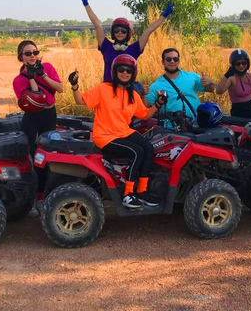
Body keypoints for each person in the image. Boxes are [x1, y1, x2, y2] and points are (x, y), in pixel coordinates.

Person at [69, 54, 167, 209]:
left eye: (129, 70)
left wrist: (158, 104)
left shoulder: (133, 95)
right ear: (115, 71)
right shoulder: (103, 89)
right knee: (137, 152)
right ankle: (128, 194)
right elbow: (80, 100)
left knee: (148, 148)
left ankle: (142, 191)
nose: (125, 73)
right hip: (105, 136)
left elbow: (145, 114)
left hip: (123, 132)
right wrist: (74, 85)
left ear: (133, 73)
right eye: (121, 69)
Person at [13, 40, 63, 217]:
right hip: (32, 119)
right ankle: (30, 201)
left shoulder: (47, 67)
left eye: (35, 52)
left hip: (49, 116)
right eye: (28, 53)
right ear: (21, 57)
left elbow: (60, 88)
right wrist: (32, 77)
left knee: (48, 159)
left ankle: (44, 197)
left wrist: (42, 76)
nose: (32, 55)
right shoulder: (19, 80)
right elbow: (36, 101)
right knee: (33, 159)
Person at [80, 0, 173, 83]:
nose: (120, 32)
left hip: (127, 89)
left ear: (128, 33)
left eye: (123, 30)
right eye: (116, 30)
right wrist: (86, 4)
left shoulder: (134, 49)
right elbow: (97, 25)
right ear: (113, 33)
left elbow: (148, 31)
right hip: (108, 90)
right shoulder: (106, 47)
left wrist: (164, 16)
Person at [144, 48, 215, 125]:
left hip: (196, 124)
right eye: (168, 59)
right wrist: (143, 94)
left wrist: (210, 83)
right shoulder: (156, 85)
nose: (172, 61)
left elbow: (210, 89)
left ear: (178, 61)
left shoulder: (191, 77)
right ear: (163, 62)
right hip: (172, 129)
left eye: (175, 59)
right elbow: (146, 105)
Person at [215, 48, 251, 123]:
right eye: (237, 64)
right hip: (240, 111)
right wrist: (226, 75)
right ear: (233, 65)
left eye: (244, 63)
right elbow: (219, 91)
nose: (241, 66)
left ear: (248, 64)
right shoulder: (232, 78)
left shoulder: (250, 76)